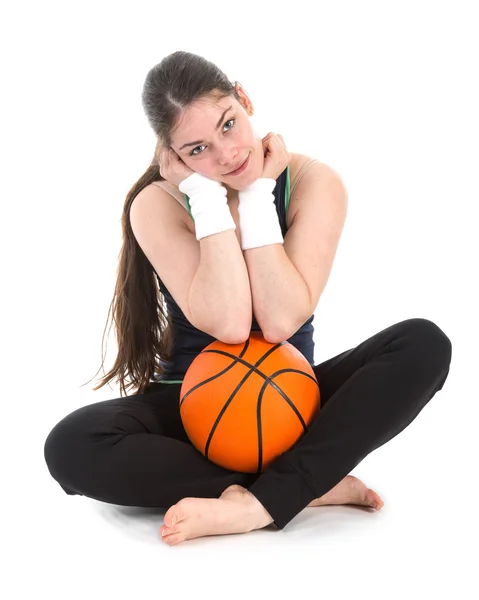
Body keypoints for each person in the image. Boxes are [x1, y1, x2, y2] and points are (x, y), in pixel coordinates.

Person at [44, 51, 452, 547]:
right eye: (197, 149)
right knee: (70, 446)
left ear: (245, 100)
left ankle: (257, 504)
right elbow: (232, 324)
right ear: (170, 157)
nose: (226, 155)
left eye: (229, 125)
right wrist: (208, 197)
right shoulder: (157, 203)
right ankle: (306, 486)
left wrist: (260, 194)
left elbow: (279, 322)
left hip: (288, 402)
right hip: (191, 405)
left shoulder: (310, 183)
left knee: (424, 344)